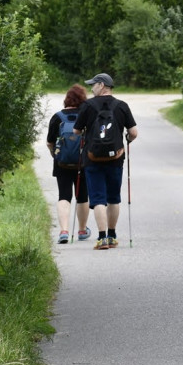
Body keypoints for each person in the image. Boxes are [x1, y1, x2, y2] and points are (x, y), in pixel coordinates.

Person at [73, 73, 137, 250]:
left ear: (101, 85)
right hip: (116, 159)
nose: (91, 88)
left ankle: (101, 239)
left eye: (93, 85)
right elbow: (134, 133)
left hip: (93, 159)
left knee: (98, 199)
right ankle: (112, 235)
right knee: (113, 198)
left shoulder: (88, 106)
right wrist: (127, 139)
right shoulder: (122, 106)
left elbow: (77, 131)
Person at [46, 84, 92, 244]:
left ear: (67, 99)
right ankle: (81, 230)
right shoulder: (87, 115)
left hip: (62, 163)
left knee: (64, 196)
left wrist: (55, 155)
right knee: (82, 197)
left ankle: (64, 231)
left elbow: (49, 142)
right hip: (83, 162)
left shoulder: (57, 117)